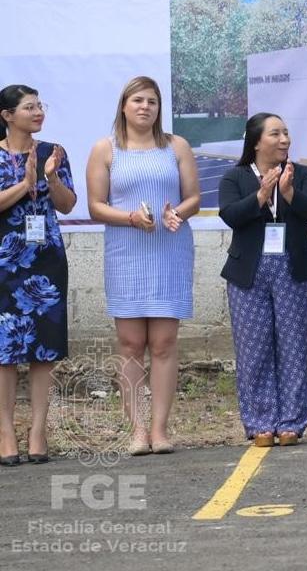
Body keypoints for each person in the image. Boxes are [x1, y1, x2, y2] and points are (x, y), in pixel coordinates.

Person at [85, 76, 200, 455]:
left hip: (170, 251)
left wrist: (176, 213)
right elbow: (95, 206)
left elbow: (194, 199)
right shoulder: (106, 149)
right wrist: (130, 218)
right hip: (126, 252)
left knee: (164, 342)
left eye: (151, 101)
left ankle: (160, 430)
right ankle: (136, 430)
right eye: (137, 100)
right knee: (131, 344)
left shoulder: (176, 146)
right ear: (123, 105)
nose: (144, 107)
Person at [219, 113, 307, 447]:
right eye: (275, 134)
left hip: (294, 266)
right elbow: (230, 215)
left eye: (286, 133)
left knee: (294, 347)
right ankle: (260, 422)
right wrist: (261, 196)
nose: (284, 140)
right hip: (248, 271)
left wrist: (288, 192)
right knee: (254, 349)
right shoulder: (235, 177)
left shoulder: (302, 174)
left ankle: (291, 421)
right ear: (256, 141)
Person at [0, 85, 76, 466]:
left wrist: (52, 179)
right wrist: (25, 186)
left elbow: (67, 204)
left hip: (46, 259)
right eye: (29, 107)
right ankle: (6, 432)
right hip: (4, 263)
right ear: (8, 115)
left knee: (44, 349)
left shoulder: (53, 152)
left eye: (39, 106)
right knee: (5, 351)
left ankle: (38, 431)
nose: (37, 112)